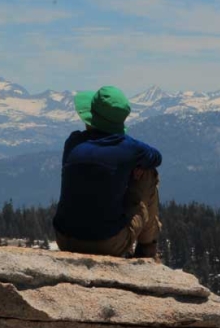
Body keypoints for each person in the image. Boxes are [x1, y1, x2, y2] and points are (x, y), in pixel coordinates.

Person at [52, 85, 163, 260]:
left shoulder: (73, 142)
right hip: (108, 244)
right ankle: (147, 252)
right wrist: (135, 166)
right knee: (148, 172)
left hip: (65, 239)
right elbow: (156, 157)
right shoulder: (129, 148)